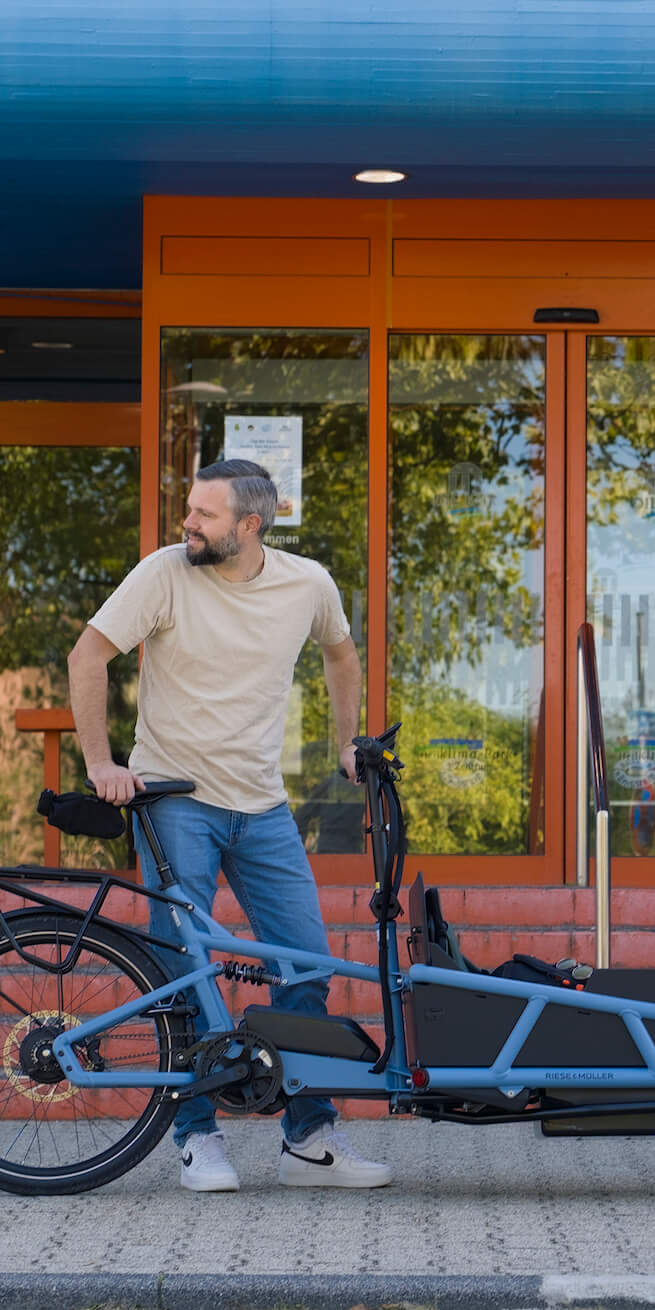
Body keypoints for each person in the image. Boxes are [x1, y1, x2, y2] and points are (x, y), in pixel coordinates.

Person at [67, 458, 393, 1193]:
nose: (189, 523)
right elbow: (89, 654)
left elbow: (341, 653)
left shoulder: (306, 584)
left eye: (205, 515)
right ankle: (196, 1138)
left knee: (307, 963)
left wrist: (348, 740)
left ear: (250, 525)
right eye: (190, 509)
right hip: (175, 800)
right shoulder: (164, 574)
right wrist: (100, 762)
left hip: (262, 807)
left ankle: (309, 1136)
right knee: (185, 975)